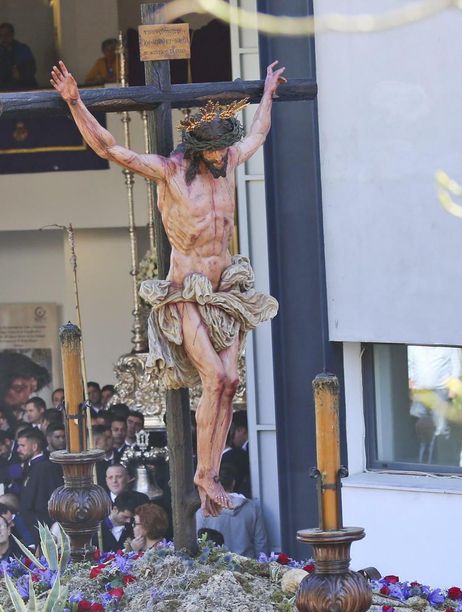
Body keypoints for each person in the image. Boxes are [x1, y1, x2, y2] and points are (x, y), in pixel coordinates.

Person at [54, 58, 287, 514]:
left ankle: (210, 471)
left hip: (226, 292)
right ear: (199, 149)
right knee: (214, 378)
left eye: (224, 149)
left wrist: (268, 94)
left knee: (231, 380)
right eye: (214, 151)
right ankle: (205, 474)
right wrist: (76, 101)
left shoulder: (230, 161)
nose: (221, 156)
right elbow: (111, 149)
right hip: (186, 294)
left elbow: (258, 134)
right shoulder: (171, 172)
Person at [194, 466, 268, 556]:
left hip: (216, 563)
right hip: (247, 563)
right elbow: (261, 545)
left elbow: (196, 543)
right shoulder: (253, 508)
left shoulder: (203, 510)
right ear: (233, 483)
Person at [16, 427, 62, 544]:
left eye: (22, 446)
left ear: (34, 447)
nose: (18, 449)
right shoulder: (31, 466)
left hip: (44, 529)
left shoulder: (45, 467)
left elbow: (47, 501)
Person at [0, 22, 37, 91]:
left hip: (21, 89)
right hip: (0, 90)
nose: (4, 38)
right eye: (1, 35)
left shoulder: (22, 50)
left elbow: (32, 69)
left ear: (12, 34)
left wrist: (21, 75)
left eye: (7, 35)